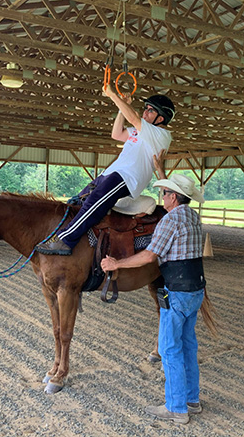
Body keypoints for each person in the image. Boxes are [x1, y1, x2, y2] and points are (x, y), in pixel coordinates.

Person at [101, 173, 206, 425]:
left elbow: (149, 256)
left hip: (178, 292)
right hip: (196, 289)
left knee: (170, 349)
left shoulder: (170, 220)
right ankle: (192, 400)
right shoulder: (193, 216)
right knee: (189, 346)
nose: (162, 197)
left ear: (173, 197)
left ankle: (176, 408)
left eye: (165, 193)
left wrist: (117, 262)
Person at [35, 84, 175, 256]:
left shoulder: (161, 135)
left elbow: (134, 119)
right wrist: (121, 109)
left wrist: (113, 96)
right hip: (110, 173)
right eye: (145, 108)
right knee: (77, 201)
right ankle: (60, 235)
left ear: (160, 119)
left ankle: (66, 240)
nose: (145, 112)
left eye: (150, 110)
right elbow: (116, 134)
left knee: (95, 203)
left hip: (127, 177)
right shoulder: (139, 132)